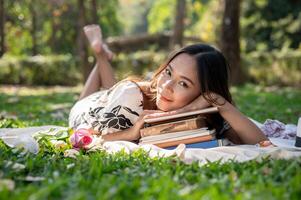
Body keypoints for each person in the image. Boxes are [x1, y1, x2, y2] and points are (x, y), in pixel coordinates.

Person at [69, 27, 267, 145]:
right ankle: (101, 55)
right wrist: (131, 133)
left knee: (111, 89)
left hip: (117, 101)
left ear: (203, 92)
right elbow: (84, 137)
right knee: (105, 94)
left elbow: (260, 142)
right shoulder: (131, 95)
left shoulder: (205, 107)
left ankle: (102, 55)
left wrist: (219, 103)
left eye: (183, 83)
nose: (167, 86)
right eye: (168, 72)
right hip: (89, 111)